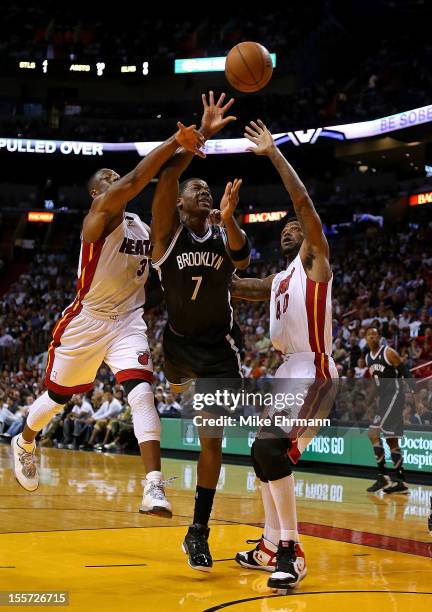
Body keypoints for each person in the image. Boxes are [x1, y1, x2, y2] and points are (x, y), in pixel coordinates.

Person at [11, 121, 204, 520]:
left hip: (127, 321)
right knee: (58, 399)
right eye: (108, 179)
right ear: (99, 194)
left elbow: (168, 175)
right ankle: (25, 440)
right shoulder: (97, 218)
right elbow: (137, 178)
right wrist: (174, 141)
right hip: (87, 319)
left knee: (141, 394)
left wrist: (202, 132)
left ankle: (154, 486)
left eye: (115, 176)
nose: (116, 180)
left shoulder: (143, 227)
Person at [231, 119, 338, 590]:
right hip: (287, 373)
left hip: (314, 368)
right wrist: (225, 223)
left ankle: (291, 552)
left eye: (299, 226)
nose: (292, 229)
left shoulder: (315, 262)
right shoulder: (279, 280)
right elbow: (232, 284)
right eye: (287, 229)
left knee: (273, 449)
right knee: (261, 452)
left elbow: (303, 204)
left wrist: (273, 153)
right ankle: (272, 545)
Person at [151, 92, 251, 571]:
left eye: (206, 191)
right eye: (196, 190)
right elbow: (168, 174)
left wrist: (228, 220)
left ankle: (198, 530)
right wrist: (203, 134)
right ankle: (174, 387)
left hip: (216, 352)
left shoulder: (220, 229)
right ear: (180, 202)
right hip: (175, 345)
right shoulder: (167, 234)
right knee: (172, 387)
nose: (204, 192)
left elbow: (243, 255)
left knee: (212, 441)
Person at [365, 326, 416, 494]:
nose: (372, 337)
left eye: (375, 334)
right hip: (384, 399)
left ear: (380, 337)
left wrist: (413, 390)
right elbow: (375, 383)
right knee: (391, 441)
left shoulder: (388, 353)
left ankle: (383, 477)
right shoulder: (368, 358)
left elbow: (405, 371)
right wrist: (369, 401)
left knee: (372, 433)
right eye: (369, 335)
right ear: (365, 339)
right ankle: (401, 482)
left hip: (394, 395)